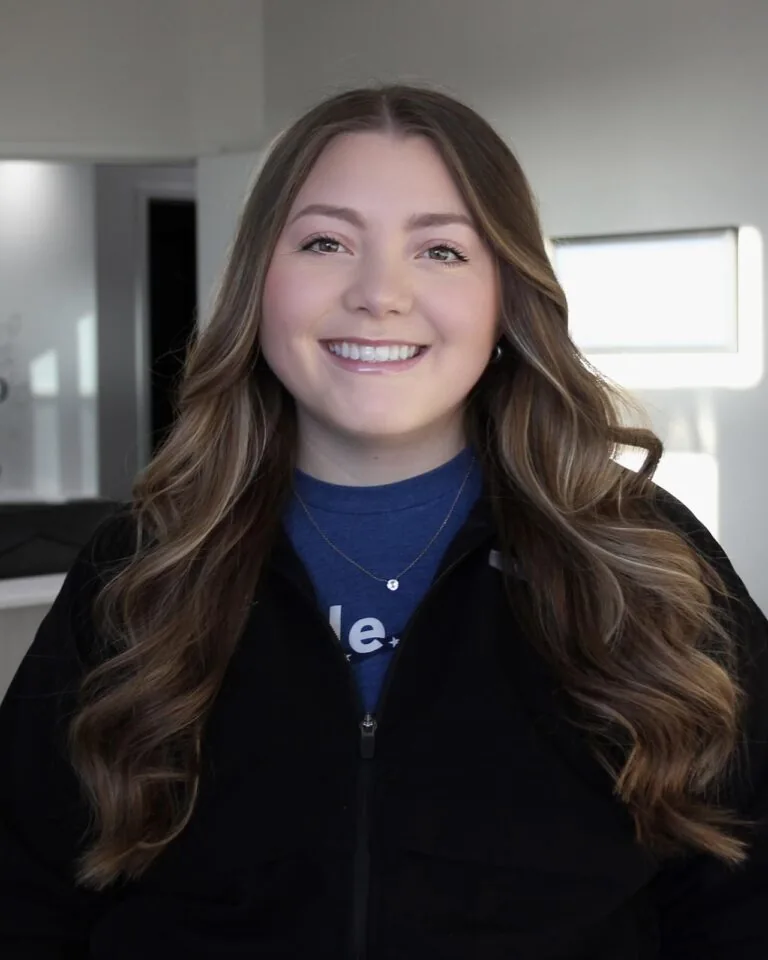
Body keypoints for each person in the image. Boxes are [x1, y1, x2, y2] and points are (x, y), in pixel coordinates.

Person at [1, 84, 767, 960]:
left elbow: (743, 895)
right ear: (258, 282)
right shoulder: (143, 566)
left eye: (441, 250)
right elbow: (25, 897)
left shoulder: (638, 556)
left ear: (506, 296)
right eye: (326, 243)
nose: (380, 294)